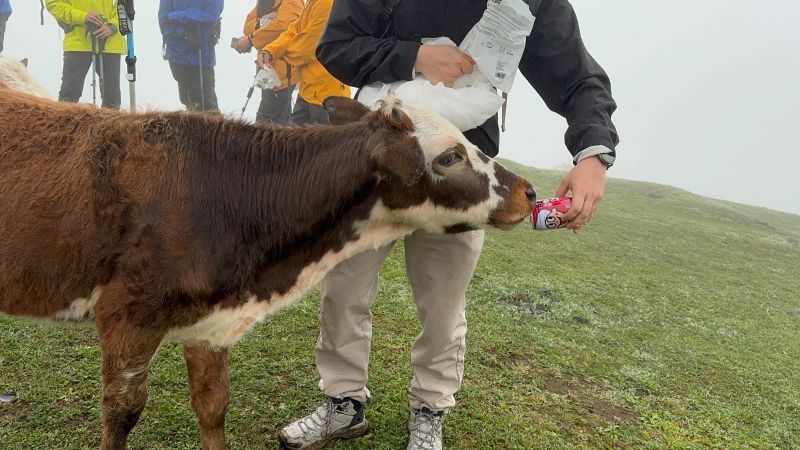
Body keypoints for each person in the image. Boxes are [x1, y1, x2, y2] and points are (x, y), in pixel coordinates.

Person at [278, 1, 619, 449]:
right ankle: (342, 402)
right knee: (343, 288)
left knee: (443, 300)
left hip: (463, 181)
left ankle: (430, 409)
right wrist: (415, 56)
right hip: (376, 169)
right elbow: (337, 45)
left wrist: (593, 154)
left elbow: (576, 76)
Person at [256, 0, 349, 125]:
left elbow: (309, 46)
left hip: (327, 96)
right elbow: (294, 30)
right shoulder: (313, 2)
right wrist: (270, 51)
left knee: (326, 138)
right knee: (293, 135)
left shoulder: (327, 3)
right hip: (307, 90)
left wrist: (282, 54)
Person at [45, 0, 126, 109]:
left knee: (112, 98)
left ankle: (110, 121)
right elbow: (53, 3)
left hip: (109, 42)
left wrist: (113, 26)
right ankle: (66, 121)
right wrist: (82, 16)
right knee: (68, 96)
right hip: (78, 42)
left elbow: (125, 4)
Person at [235, 0, 302, 124]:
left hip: (282, 76)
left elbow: (283, 26)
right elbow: (247, 27)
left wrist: (251, 39)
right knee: (275, 124)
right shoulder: (266, 1)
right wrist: (264, 21)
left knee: (265, 125)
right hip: (268, 74)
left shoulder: (292, 1)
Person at [158, 0, 223, 112]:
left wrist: (177, 15)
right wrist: (183, 33)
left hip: (202, 56)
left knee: (207, 104)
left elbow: (212, 14)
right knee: (188, 101)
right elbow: (164, 22)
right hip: (178, 56)